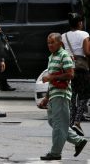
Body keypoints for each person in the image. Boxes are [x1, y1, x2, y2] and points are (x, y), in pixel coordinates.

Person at [39, 33, 87, 161]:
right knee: (54, 122)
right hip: (54, 95)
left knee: (59, 125)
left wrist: (51, 77)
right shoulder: (52, 57)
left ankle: (55, 153)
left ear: (60, 43)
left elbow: (70, 74)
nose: (50, 45)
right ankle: (78, 141)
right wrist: (46, 98)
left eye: (52, 42)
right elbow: (51, 81)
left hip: (62, 94)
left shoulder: (64, 55)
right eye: (48, 43)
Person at [61, 13, 90, 136]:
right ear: (79, 23)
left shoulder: (63, 36)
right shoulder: (84, 34)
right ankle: (77, 122)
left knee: (72, 95)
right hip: (82, 68)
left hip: (68, 68)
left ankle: (70, 123)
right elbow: (87, 52)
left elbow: (62, 51)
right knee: (84, 95)